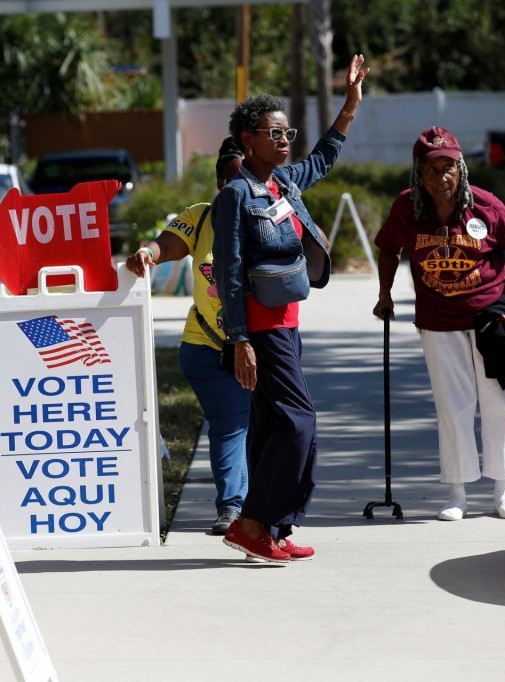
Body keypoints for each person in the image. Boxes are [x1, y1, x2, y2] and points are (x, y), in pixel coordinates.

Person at [211, 54, 369, 563]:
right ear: (247, 139)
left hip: (287, 324)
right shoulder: (236, 195)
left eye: (287, 133)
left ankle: (272, 530)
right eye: (272, 133)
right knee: (299, 423)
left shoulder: (284, 184)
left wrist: (349, 105)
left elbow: (324, 157)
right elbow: (230, 271)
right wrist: (239, 340)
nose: (283, 140)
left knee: (272, 427)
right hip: (259, 328)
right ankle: (252, 523)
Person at [373, 126, 505, 521]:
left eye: (448, 167)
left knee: (499, 403)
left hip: (491, 321)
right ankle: (458, 493)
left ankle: (503, 492)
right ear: (418, 173)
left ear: (460, 168)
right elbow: (389, 249)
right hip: (438, 322)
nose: (440, 177)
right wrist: (385, 293)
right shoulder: (407, 208)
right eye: (431, 169)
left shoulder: (485, 205)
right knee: (453, 407)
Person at [125, 137, 249, 535]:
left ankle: (259, 506)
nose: (239, 190)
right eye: (231, 183)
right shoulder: (201, 217)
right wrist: (147, 253)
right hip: (206, 344)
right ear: (218, 185)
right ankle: (232, 508)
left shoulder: (272, 215)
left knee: (269, 426)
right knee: (230, 424)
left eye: (248, 180)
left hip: (264, 344)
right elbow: (165, 245)